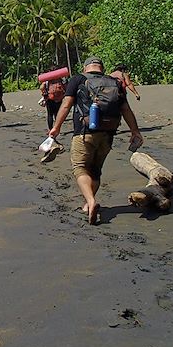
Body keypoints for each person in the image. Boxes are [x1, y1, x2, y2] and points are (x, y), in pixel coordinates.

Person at [48, 56, 144, 225]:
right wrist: (135, 131)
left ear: (86, 67)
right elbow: (125, 109)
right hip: (108, 133)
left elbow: (66, 104)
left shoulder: (78, 79)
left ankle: (90, 201)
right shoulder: (114, 82)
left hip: (84, 133)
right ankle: (88, 203)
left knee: (80, 168)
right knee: (96, 170)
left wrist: (56, 128)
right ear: (102, 68)